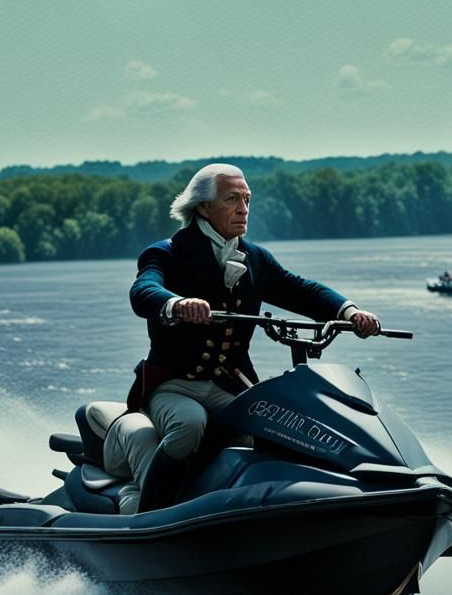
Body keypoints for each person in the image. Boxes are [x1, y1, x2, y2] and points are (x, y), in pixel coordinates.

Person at [103, 163, 381, 514]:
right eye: (232, 199)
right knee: (189, 425)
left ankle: (276, 509)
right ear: (203, 207)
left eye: (247, 200)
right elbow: (143, 291)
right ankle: (152, 514)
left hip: (230, 385)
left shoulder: (256, 259)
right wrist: (174, 303)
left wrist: (349, 312)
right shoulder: (167, 253)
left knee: (280, 426)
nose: (243, 209)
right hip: (174, 385)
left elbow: (302, 291)